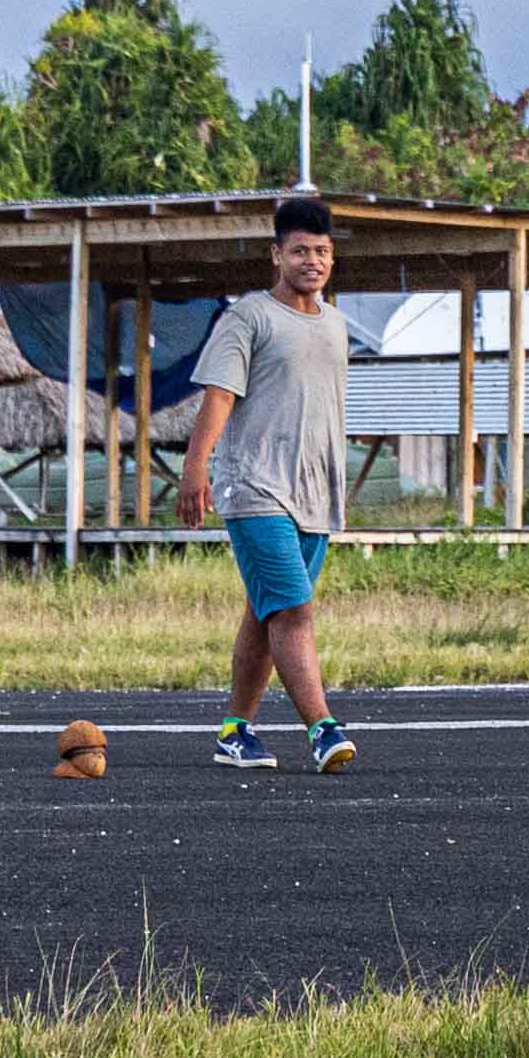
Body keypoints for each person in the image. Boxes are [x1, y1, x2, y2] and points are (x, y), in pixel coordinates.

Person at [178, 194, 358, 772]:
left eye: (322, 251)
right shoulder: (249, 318)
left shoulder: (336, 324)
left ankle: (235, 731)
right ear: (276, 254)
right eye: (301, 250)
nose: (313, 260)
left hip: (315, 493)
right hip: (254, 486)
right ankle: (323, 729)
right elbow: (220, 396)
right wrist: (195, 467)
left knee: (267, 612)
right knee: (295, 611)